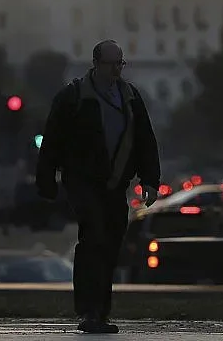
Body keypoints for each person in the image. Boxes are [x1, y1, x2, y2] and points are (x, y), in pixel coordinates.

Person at [35, 39, 161, 334]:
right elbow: (52, 140)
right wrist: (46, 181)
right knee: (93, 238)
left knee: (110, 245)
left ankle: (101, 312)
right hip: (83, 182)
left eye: (120, 63)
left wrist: (150, 181)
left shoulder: (130, 97)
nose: (117, 69)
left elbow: (145, 141)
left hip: (116, 185)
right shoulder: (73, 96)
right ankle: (89, 310)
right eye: (111, 63)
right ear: (96, 63)